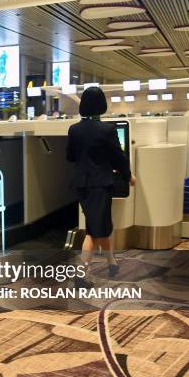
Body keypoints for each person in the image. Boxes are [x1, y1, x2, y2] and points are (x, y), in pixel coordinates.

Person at [66, 87, 136, 285]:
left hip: (81, 185)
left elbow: (70, 157)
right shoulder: (107, 130)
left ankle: (112, 263)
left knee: (101, 226)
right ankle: (80, 274)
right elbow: (118, 157)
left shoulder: (74, 129)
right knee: (94, 232)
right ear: (101, 106)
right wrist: (128, 176)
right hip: (100, 184)